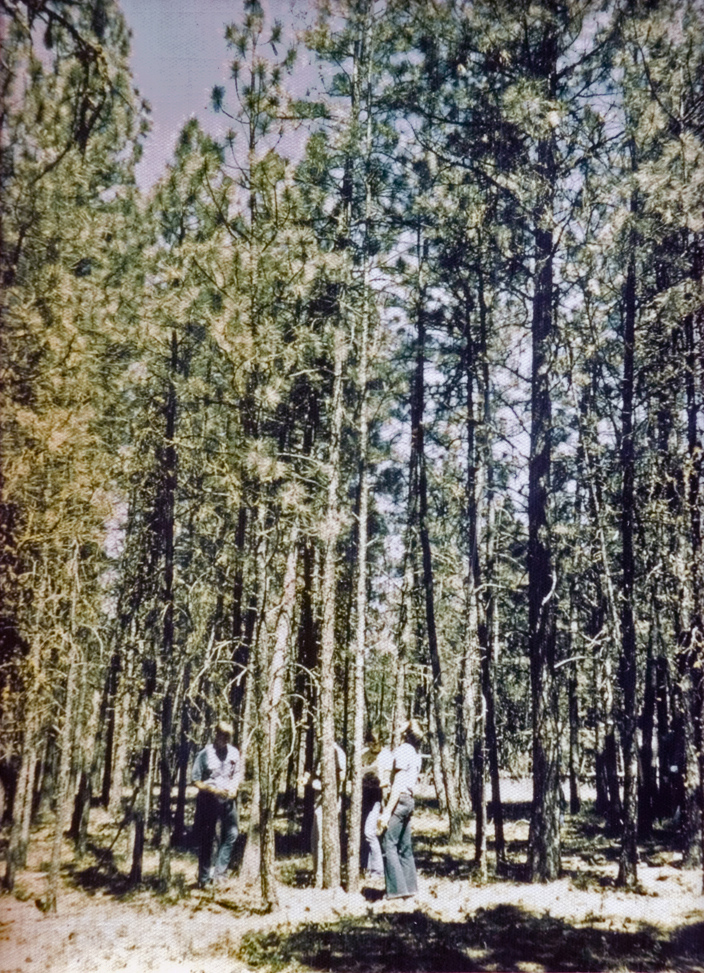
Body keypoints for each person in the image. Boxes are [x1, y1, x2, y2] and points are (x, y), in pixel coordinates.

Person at [191, 720, 241, 888]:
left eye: (229, 737)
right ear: (217, 734)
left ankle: (220, 874)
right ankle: (204, 879)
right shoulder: (205, 754)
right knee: (207, 838)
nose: (226, 740)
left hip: (227, 800)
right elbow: (196, 780)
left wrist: (234, 788)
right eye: (223, 736)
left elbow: (237, 774)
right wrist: (212, 791)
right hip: (208, 800)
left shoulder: (234, 753)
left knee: (232, 834)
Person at [378, 719, 423, 900]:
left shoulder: (404, 750)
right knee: (405, 846)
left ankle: (396, 892)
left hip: (400, 799)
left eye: (403, 726)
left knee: (388, 842)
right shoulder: (414, 752)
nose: (398, 727)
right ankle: (410, 889)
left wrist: (387, 812)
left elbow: (399, 783)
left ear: (406, 734)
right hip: (409, 800)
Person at [362, 740, 393, 880]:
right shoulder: (363, 753)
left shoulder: (386, 755)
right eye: (371, 742)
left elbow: (387, 780)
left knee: (370, 832)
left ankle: (378, 870)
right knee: (365, 834)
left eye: (376, 742)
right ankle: (367, 867)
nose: (373, 745)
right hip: (363, 795)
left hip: (377, 796)